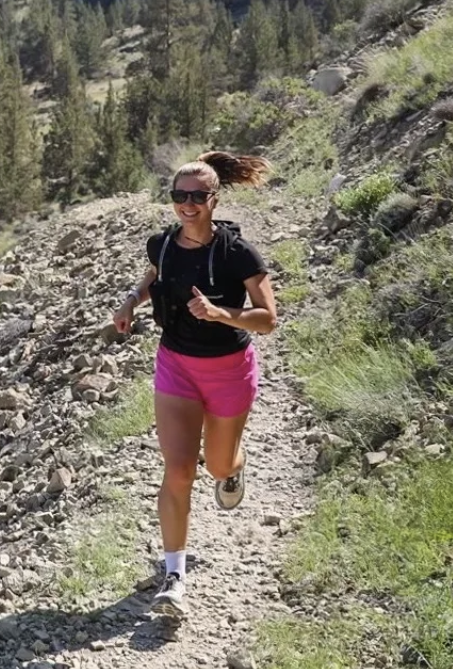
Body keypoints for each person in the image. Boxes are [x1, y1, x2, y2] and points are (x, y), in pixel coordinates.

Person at [111, 151, 277, 619]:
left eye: (197, 196)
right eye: (179, 196)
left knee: (218, 465)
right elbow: (155, 277)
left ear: (214, 199)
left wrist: (224, 313)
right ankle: (174, 577)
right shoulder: (161, 245)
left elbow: (268, 318)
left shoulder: (236, 254)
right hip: (176, 367)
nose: (187, 204)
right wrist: (130, 302)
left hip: (228, 369)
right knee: (179, 469)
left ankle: (233, 467)